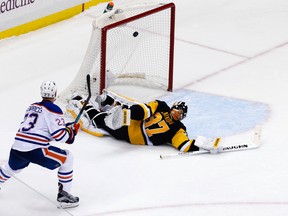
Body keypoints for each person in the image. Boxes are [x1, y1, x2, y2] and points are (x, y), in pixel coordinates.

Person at [0, 81, 80, 209]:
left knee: (11, 168)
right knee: (67, 158)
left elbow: (39, 130)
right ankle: (64, 196)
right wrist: (71, 132)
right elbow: (60, 137)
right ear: (55, 93)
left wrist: (66, 128)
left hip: (17, 147)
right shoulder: (54, 109)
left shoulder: (32, 107)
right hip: (35, 150)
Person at [67, 90, 223, 154]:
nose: (175, 114)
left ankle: (103, 103)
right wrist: (202, 145)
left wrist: (200, 144)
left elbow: (184, 145)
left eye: (178, 114)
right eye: (176, 111)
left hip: (130, 130)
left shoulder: (164, 108)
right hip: (131, 133)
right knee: (101, 121)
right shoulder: (177, 127)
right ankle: (106, 106)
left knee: (104, 119)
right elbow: (184, 146)